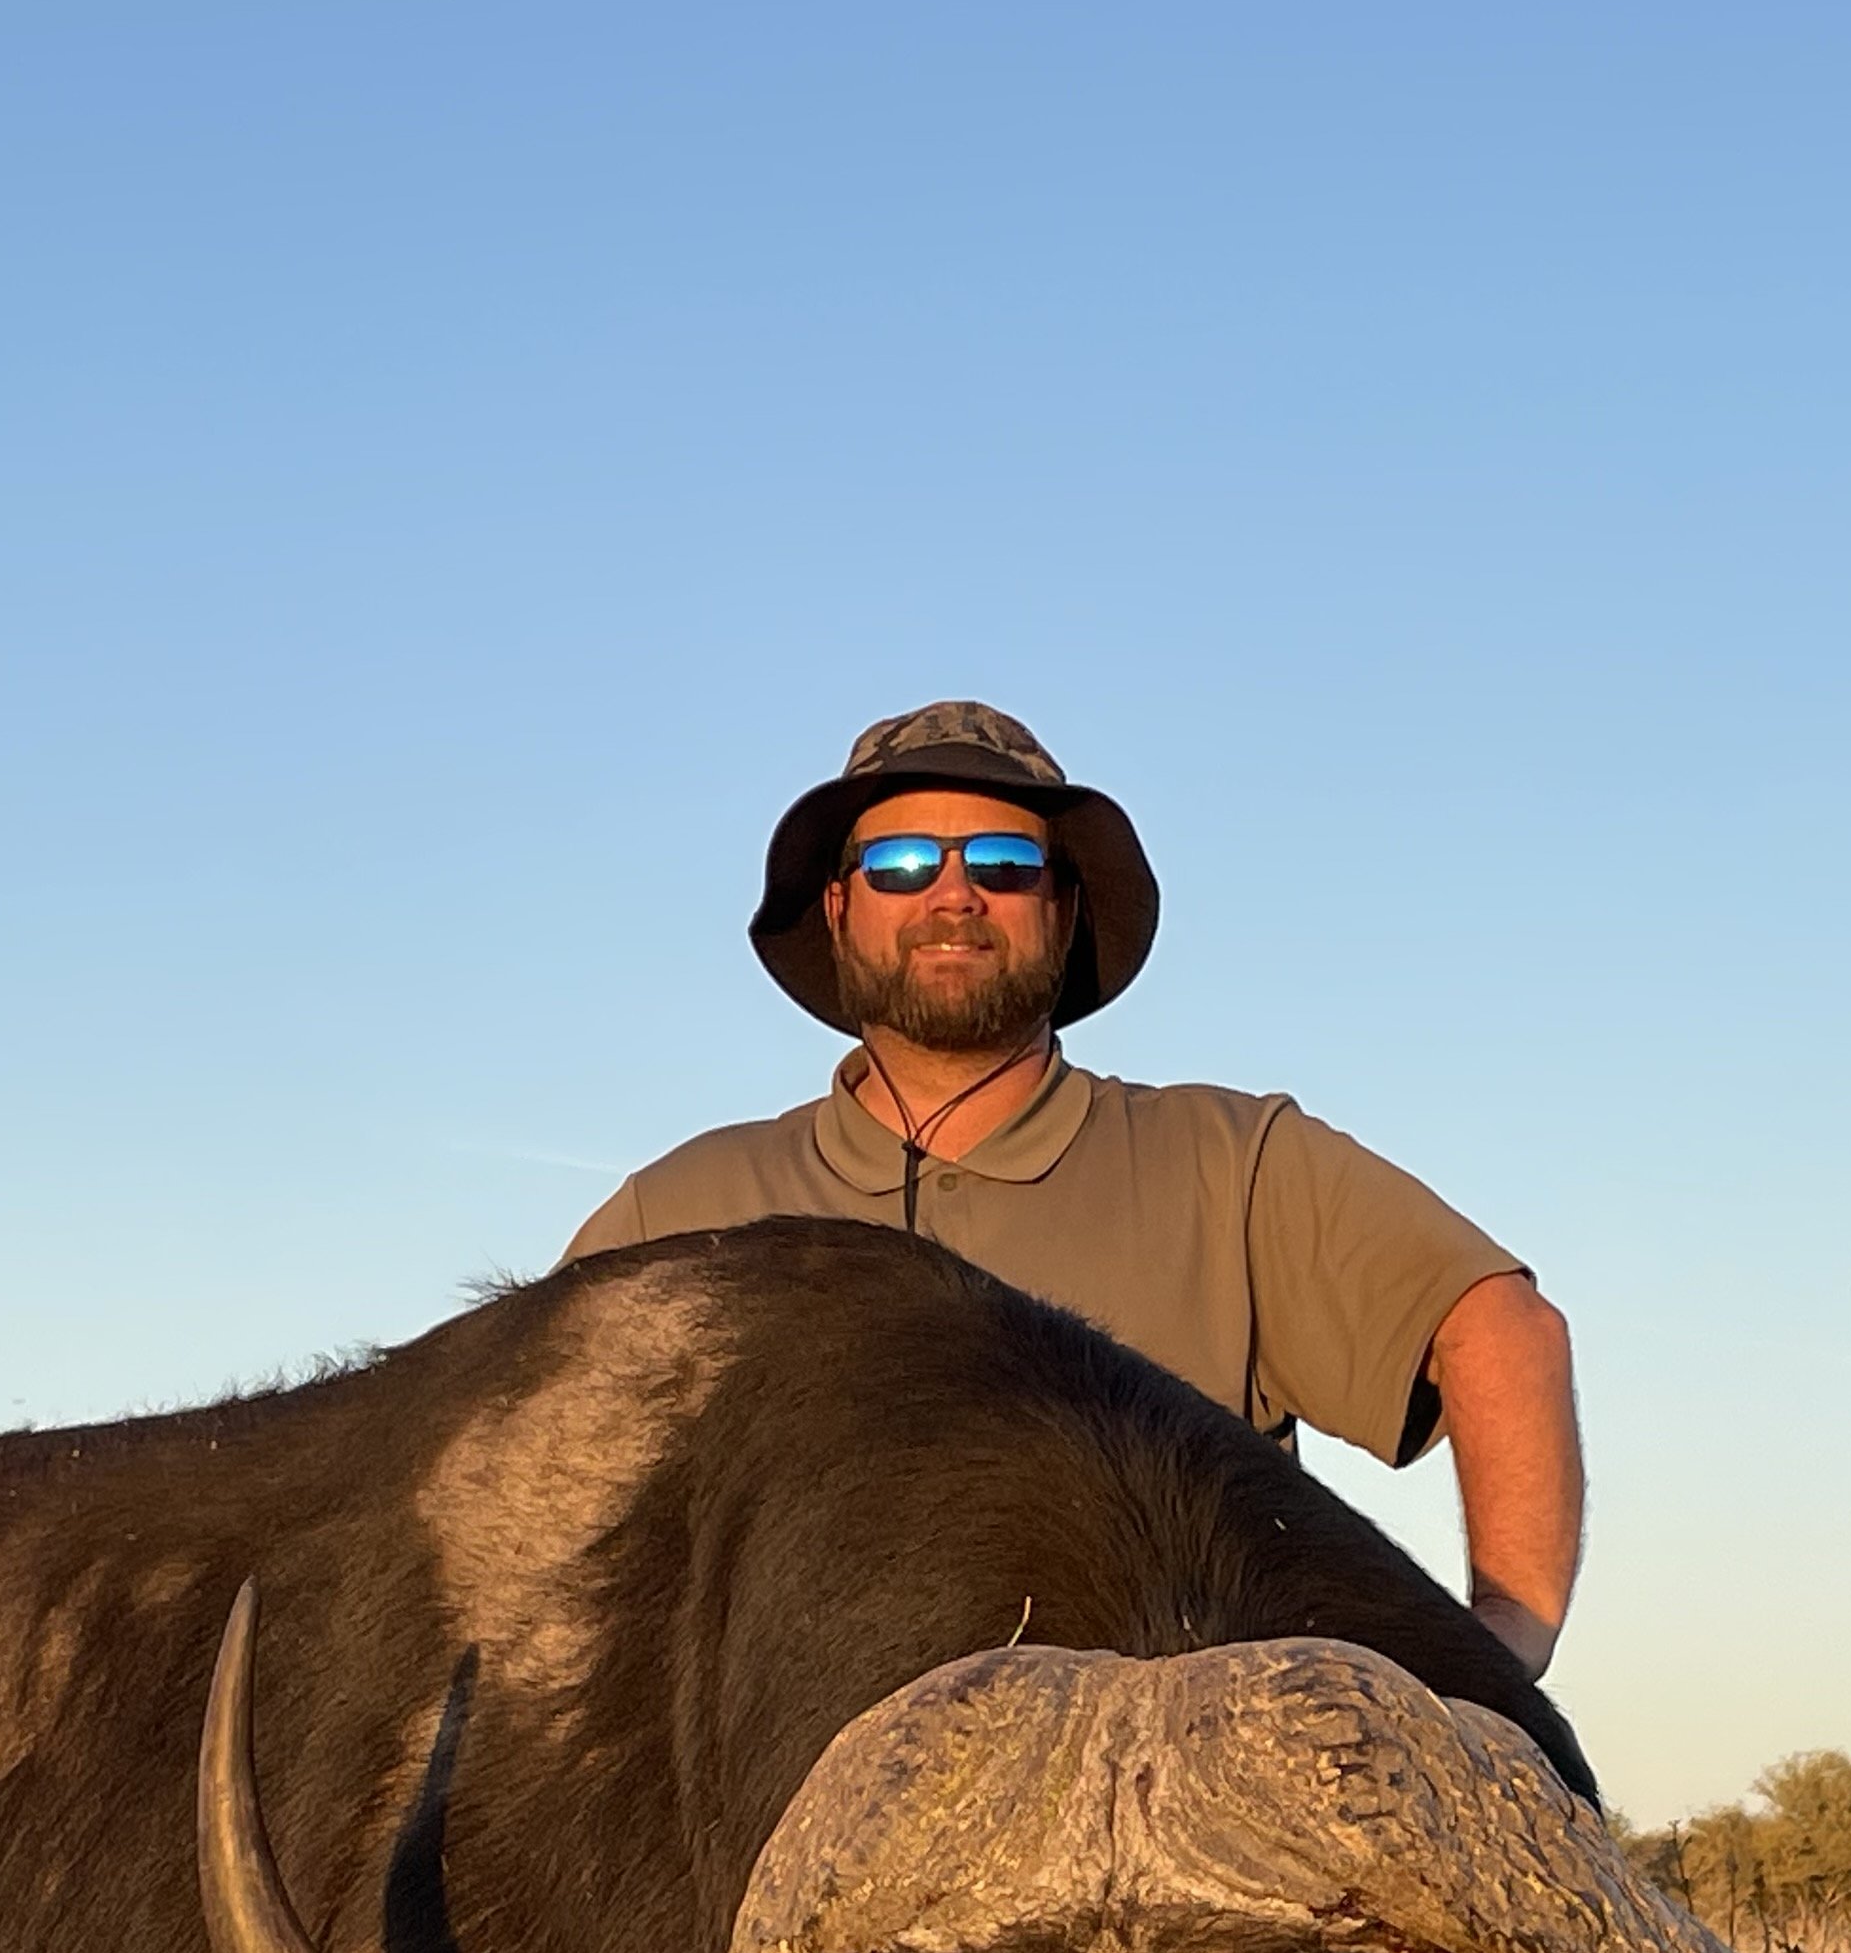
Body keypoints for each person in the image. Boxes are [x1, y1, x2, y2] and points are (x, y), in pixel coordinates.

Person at [565, 700, 1582, 1676]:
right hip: (774, 1836)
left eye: (1004, 866)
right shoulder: (683, 1214)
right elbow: (519, 1492)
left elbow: (1501, 1331)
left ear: (1062, 907)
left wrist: (1491, 1664)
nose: (953, 896)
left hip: (1166, 1829)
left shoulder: (1231, 1166)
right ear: (839, 908)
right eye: (901, 862)